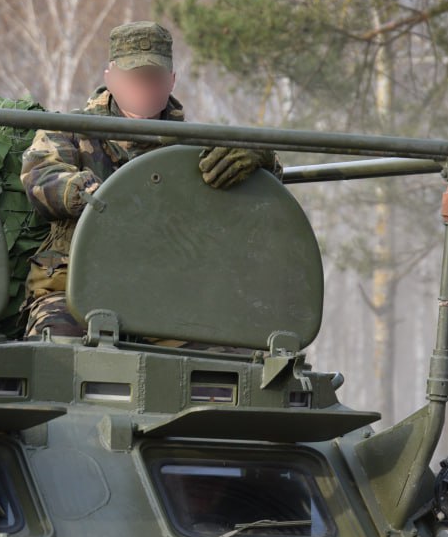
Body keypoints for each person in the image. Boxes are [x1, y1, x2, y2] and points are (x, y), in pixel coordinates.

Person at [20, 21, 279, 337]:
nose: (144, 86)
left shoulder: (196, 147)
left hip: (171, 290)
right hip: (76, 284)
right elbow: (42, 178)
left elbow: (261, 197)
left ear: (171, 81)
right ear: (110, 78)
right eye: (134, 77)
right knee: (57, 353)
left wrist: (259, 156)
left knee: (228, 362)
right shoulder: (66, 130)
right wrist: (90, 195)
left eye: (153, 77)